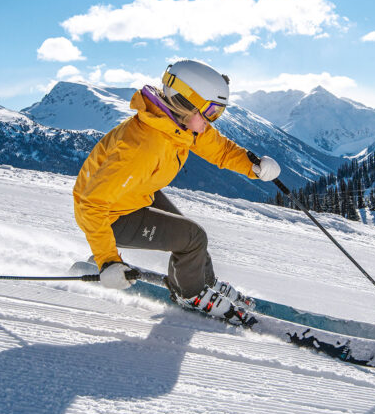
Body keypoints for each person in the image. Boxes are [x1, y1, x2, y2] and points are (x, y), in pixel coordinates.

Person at [73, 59, 281, 321]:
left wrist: (255, 167)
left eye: (218, 112)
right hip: (108, 216)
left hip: (132, 195)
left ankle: (202, 281)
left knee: (188, 234)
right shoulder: (144, 146)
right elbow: (92, 203)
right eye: (212, 112)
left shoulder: (178, 125)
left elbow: (220, 149)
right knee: (192, 237)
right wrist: (107, 261)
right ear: (184, 103)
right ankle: (191, 294)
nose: (213, 120)